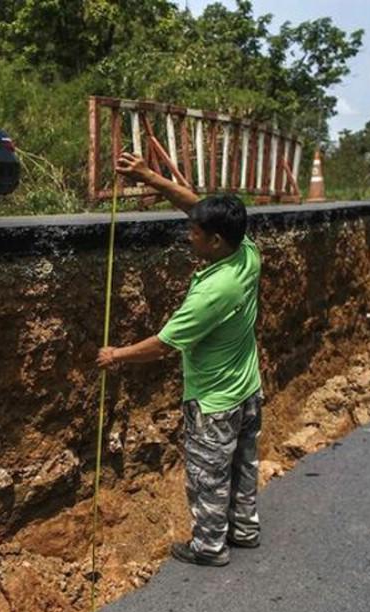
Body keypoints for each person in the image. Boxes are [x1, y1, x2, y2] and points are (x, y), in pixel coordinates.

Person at [96, 152, 263, 567]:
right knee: (243, 465)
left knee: (209, 476)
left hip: (214, 402)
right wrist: (148, 176)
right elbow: (198, 206)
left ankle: (209, 547)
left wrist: (115, 354)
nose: (189, 234)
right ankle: (243, 529)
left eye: (195, 232)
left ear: (215, 241)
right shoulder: (247, 252)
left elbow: (164, 345)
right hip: (248, 391)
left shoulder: (212, 293)